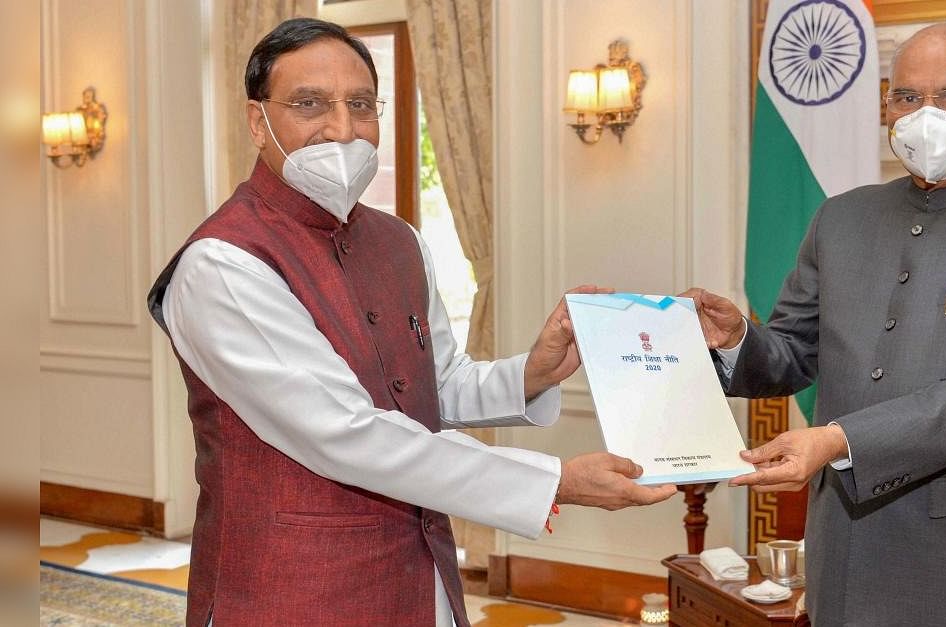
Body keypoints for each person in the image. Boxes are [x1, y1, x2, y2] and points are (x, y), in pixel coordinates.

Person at [146, 18, 675, 626]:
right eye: (309, 104)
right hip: (291, 587)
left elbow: (434, 384)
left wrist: (530, 373)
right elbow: (343, 432)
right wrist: (557, 480)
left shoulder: (398, 242)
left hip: (419, 574)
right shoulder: (223, 263)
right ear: (256, 120)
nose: (342, 129)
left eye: (361, 105)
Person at [685, 23, 946, 625]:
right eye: (908, 97)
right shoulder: (841, 218)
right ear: (886, 107)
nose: (928, 114)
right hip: (844, 541)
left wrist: (835, 440)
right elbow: (795, 352)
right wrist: (736, 340)